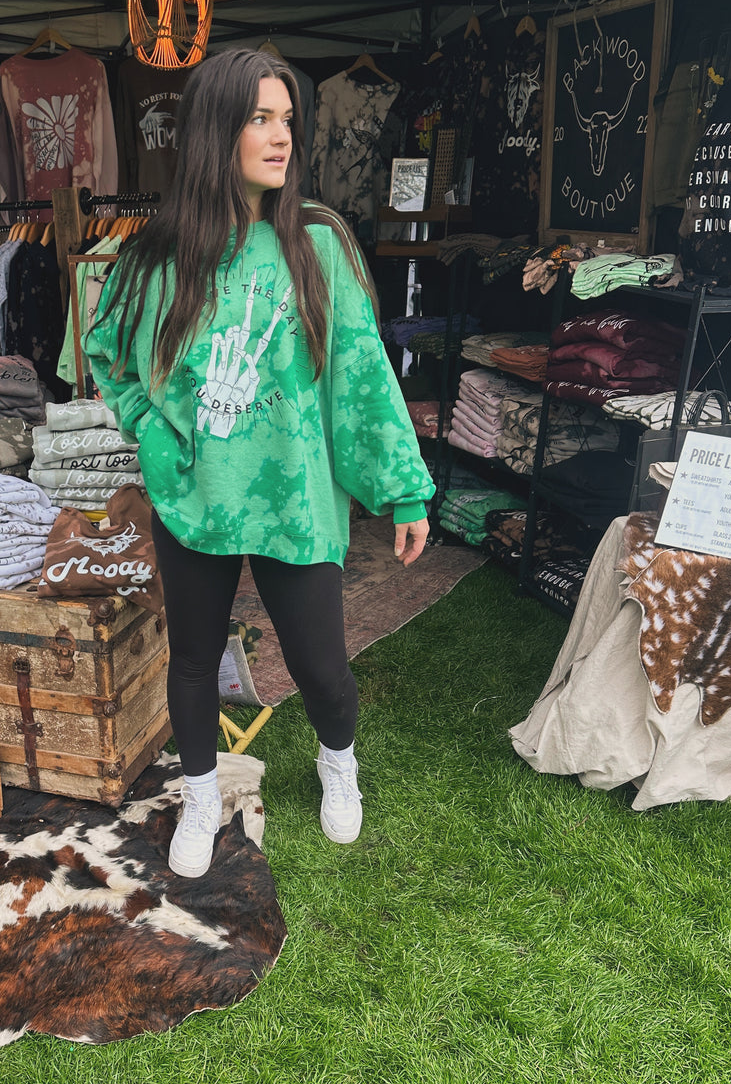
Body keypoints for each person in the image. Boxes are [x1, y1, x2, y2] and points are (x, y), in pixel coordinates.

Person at [84, 48, 435, 879]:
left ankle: (337, 765)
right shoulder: (154, 257)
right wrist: (155, 432)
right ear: (215, 130)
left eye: (287, 120)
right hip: (194, 494)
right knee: (195, 660)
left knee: (320, 665)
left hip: (294, 496)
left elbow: (360, 373)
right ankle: (202, 795)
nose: (281, 137)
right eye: (259, 119)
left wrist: (403, 488)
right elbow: (108, 354)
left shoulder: (317, 242)